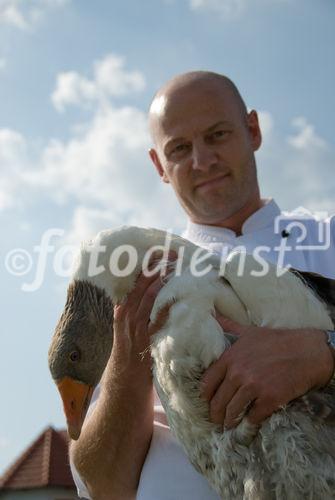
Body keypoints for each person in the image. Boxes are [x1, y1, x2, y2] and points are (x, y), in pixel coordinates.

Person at [69, 71, 335, 500]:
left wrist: (324, 351)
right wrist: (129, 357)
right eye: (179, 148)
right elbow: (101, 486)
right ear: (158, 165)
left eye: (217, 135)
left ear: (252, 130)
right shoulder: (131, 285)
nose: (201, 160)